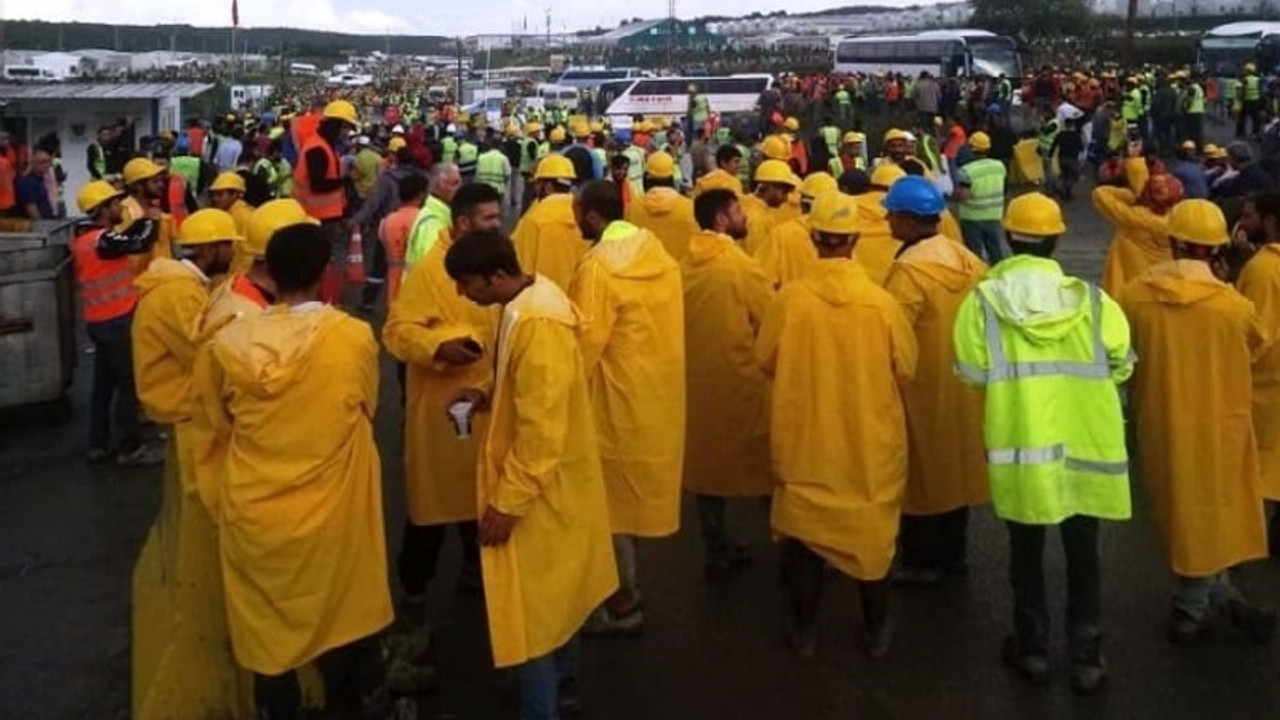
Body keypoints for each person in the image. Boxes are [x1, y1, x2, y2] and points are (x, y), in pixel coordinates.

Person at [192, 223, 416, 720]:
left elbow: (215, 425)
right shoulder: (352, 337)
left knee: (270, 639)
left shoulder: (228, 344)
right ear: (325, 276)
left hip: (256, 513)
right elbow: (365, 406)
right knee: (349, 624)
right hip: (337, 510)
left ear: (266, 270)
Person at [953, 192, 1133, 694]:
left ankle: (1032, 651)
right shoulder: (1095, 302)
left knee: (1025, 553)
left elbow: (971, 372)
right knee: (1083, 554)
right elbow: (1122, 362)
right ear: (1057, 239)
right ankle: (1087, 656)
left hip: (1021, 453)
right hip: (1087, 453)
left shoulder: (982, 303)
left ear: (1009, 238)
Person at [444, 230, 618, 720]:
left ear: (496, 276)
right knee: (556, 605)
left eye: (467, 284)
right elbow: (520, 380)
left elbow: (541, 430)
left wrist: (508, 502)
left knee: (535, 616)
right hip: (551, 484)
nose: (464, 295)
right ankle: (564, 689)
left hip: (541, 489)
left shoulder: (539, 322)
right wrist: (483, 391)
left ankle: (544, 705)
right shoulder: (525, 304)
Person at [756, 189, 917, 659]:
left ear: (815, 239)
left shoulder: (791, 301)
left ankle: (805, 633)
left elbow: (765, 359)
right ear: (854, 241)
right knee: (873, 538)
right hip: (870, 443)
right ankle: (876, 631)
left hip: (806, 439)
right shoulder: (881, 303)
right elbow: (906, 366)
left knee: (805, 539)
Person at [1118, 199, 1277, 644]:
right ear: (1217, 248)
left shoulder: (1134, 295)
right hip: (1221, 423)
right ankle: (1196, 605)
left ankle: (1209, 596)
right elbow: (1258, 346)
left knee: (1179, 510)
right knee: (1212, 510)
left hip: (1159, 421)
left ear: (1173, 242)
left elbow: (1119, 354)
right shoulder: (1234, 306)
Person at [382, 183, 505, 665]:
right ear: (460, 224)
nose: (497, 225)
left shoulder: (498, 262)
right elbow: (397, 330)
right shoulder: (430, 271)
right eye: (488, 219)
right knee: (430, 516)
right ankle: (414, 603)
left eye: (498, 218)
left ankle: (479, 576)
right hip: (439, 414)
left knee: (482, 504)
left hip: (488, 406)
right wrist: (437, 350)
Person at [130, 209, 244, 720]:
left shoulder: (177, 285)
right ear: (214, 248)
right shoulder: (179, 295)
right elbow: (206, 355)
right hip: (186, 417)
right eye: (230, 247)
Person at [570, 180, 685, 635]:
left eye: (578, 213)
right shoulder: (655, 253)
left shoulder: (598, 267)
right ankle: (624, 595)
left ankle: (619, 603)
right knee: (620, 505)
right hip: (656, 395)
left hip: (610, 400)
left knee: (603, 506)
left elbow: (585, 343)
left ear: (594, 218)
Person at [881, 177, 988, 586]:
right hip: (962, 383)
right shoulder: (966, 261)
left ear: (909, 221)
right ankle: (953, 556)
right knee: (955, 469)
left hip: (920, 388)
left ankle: (922, 560)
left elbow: (893, 334)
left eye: (892, 213)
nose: (887, 219)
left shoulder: (908, 271)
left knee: (921, 475)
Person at [681, 188, 774, 579]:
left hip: (696, 384)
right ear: (721, 219)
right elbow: (770, 317)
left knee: (708, 469)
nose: (744, 217)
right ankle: (790, 544)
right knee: (768, 463)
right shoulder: (739, 265)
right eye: (737, 211)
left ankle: (716, 546)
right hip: (743, 381)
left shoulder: (684, 262)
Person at [70, 181, 163, 466]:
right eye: (114, 204)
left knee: (103, 386)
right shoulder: (104, 242)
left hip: (99, 322)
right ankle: (130, 448)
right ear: (102, 210)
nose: (119, 207)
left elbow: (126, 237)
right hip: (116, 322)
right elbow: (140, 242)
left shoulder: (87, 239)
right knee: (128, 385)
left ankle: (99, 444)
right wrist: (151, 221)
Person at [1237, 192, 1280, 554]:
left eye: (1250, 215)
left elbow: (1257, 336)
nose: (1244, 221)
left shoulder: (1263, 269)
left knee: (1262, 472)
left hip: (1267, 387)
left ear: (1269, 221)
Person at [293, 100, 358, 304]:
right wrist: (344, 180)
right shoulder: (317, 148)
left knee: (325, 264)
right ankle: (328, 301)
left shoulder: (325, 145)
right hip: (320, 218)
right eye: (346, 127)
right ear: (336, 125)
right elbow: (318, 184)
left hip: (324, 216)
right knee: (329, 264)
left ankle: (324, 299)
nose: (346, 133)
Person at [1094, 155, 1183, 297]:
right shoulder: (1179, 217)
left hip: (1129, 286)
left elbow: (1100, 194)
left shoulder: (1135, 219)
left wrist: (1133, 195)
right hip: (1163, 283)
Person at [511, 154, 587, 291]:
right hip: (579, 298)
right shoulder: (584, 214)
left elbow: (520, 268)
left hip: (544, 302)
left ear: (548, 187)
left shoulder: (535, 218)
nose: (535, 189)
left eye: (537, 184)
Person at [754, 172, 832, 290]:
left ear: (802, 203)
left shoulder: (781, 234)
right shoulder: (845, 237)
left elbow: (760, 278)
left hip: (790, 305)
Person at [626, 151, 699, 262]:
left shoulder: (633, 208)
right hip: (679, 273)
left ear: (647, 177)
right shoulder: (689, 208)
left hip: (645, 272)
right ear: (672, 177)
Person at [954, 132, 1007, 264]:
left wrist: (953, 196)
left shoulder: (966, 170)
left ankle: (977, 279)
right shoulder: (999, 166)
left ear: (971, 149)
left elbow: (963, 196)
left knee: (974, 254)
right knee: (995, 251)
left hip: (972, 217)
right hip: (994, 215)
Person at [380, 173, 428, 305]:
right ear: (421, 195)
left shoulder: (388, 220)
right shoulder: (423, 219)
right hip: (415, 285)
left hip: (393, 286)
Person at [405, 163, 462, 274]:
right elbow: (437, 270)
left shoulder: (434, 213)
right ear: (440, 186)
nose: (459, 189)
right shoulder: (433, 225)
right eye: (455, 184)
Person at [741, 159, 799, 256]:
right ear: (768, 187)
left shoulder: (753, 208)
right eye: (784, 192)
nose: (785, 199)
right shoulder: (756, 220)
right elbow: (758, 260)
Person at [208, 172, 255, 273]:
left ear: (235, 195)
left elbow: (242, 252)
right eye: (214, 195)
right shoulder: (235, 212)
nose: (215, 199)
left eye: (220, 195)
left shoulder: (239, 216)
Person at [16, 150, 55, 220]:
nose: (47, 165)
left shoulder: (40, 179)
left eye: (49, 161)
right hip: (36, 226)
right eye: (42, 162)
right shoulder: (28, 182)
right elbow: (31, 208)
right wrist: (43, 227)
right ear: (33, 163)